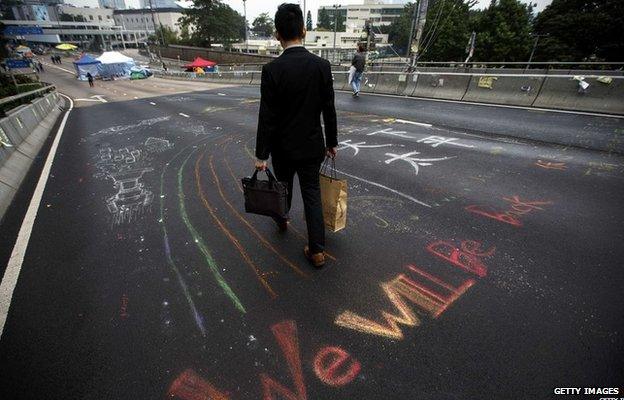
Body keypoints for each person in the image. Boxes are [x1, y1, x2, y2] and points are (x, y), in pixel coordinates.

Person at [254, 3, 338, 268]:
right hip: (312, 146)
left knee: (284, 187)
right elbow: (329, 109)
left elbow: (266, 117)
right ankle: (316, 251)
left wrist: (261, 155)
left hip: (283, 148)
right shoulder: (321, 66)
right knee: (312, 194)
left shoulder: (271, 71)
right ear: (304, 30)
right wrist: (332, 142)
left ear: (277, 34)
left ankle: (282, 219)